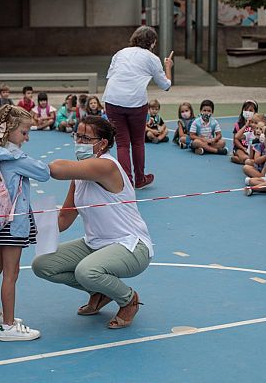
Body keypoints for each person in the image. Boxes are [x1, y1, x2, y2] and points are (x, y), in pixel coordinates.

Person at [32, 116, 152, 329]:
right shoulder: (79, 175)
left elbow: (58, 169)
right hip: (95, 244)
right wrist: (29, 230)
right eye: (77, 136)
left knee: (86, 271)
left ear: (103, 143)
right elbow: (64, 218)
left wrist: (24, 166)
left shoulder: (106, 166)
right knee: (42, 265)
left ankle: (128, 299)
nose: (79, 141)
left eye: (85, 138)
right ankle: (99, 291)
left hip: (131, 245)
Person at [0, 105, 50, 341]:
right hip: (11, 223)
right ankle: (8, 327)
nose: (26, 138)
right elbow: (44, 172)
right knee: (11, 273)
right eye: (24, 132)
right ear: (9, 131)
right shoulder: (15, 157)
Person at [102, 25, 173, 189]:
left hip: (112, 100)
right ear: (152, 43)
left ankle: (126, 181)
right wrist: (168, 67)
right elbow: (166, 86)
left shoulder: (120, 53)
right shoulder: (152, 58)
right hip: (135, 103)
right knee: (137, 142)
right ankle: (139, 179)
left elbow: (111, 75)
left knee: (122, 144)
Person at [231, 100, 259, 164]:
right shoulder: (238, 125)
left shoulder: (257, 125)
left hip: (253, 149)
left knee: (254, 157)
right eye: (245, 110)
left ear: (255, 112)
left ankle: (238, 160)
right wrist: (243, 148)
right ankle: (243, 159)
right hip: (240, 149)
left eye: (250, 110)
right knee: (245, 157)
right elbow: (236, 139)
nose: (247, 112)